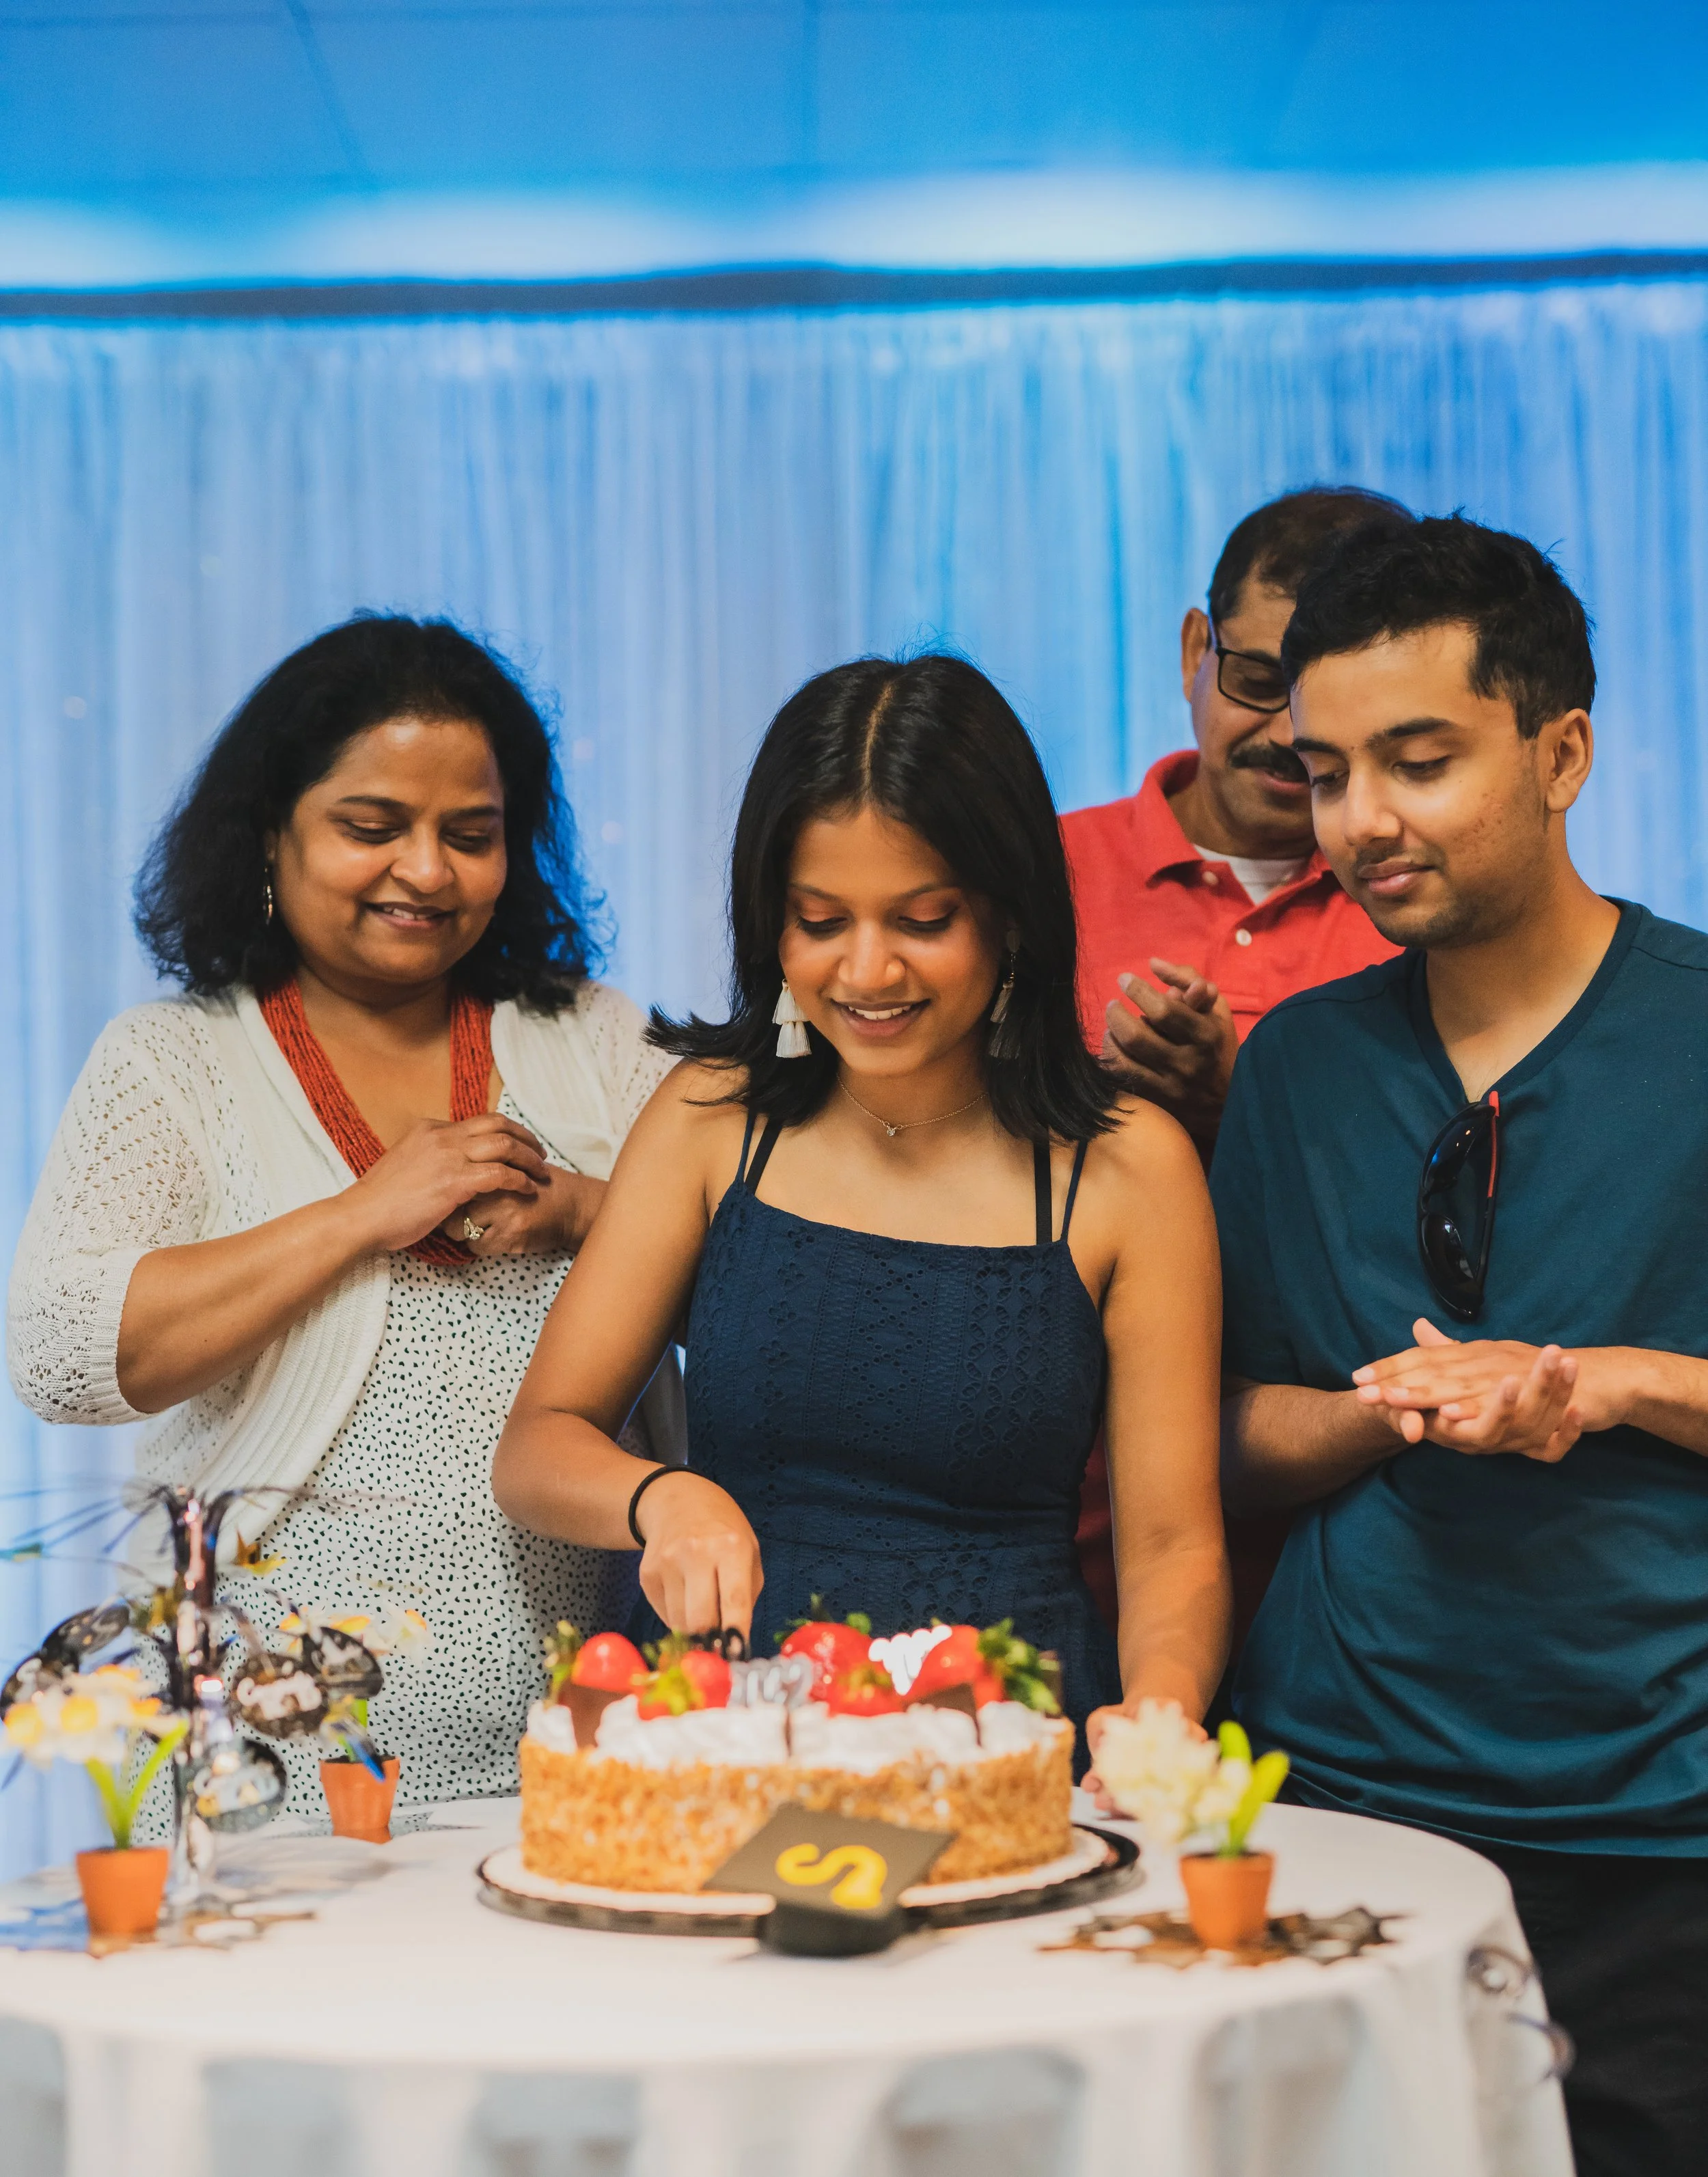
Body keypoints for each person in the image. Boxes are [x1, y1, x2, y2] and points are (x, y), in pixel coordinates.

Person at [1213, 516, 1708, 2176]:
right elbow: (1222, 1432)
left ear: (1558, 750)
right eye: (1327, 771)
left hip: (1652, 1812)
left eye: (1416, 763)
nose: (1361, 822)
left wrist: (1599, 1388)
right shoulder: (1294, 1068)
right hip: (1343, 1793)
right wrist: (1390, 1414)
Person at [493, 655, 1228, 1761]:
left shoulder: (1129, 1172)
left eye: (923, 919)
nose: (868, 969)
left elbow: (1171, 1543)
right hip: (720, 1727)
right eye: (821, 919)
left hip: (998, 1735)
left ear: (1012, 918)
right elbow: (540, 1446)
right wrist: (663, 1497)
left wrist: (1161, 1704)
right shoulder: (712, 1118)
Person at [8, 614, 680, 1811]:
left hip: (578, 1745)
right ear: (271, 832)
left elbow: (757, 1277)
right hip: (253, 1757)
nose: (426, 871)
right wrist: (362, 1213)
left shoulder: (598, 1043)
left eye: (470, 836)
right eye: (372, 828)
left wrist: (585, 1208)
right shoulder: (175, 1061)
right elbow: (62, 1353)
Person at [1063, 487, 1411, 1639]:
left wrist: (1235, 1110)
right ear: (1192, 650)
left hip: (1344, 1560)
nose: (1282, 733)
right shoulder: (1040, 877)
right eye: (1259, 679)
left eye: (1324, 698)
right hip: (1056, 1538)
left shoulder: (1421, 912)